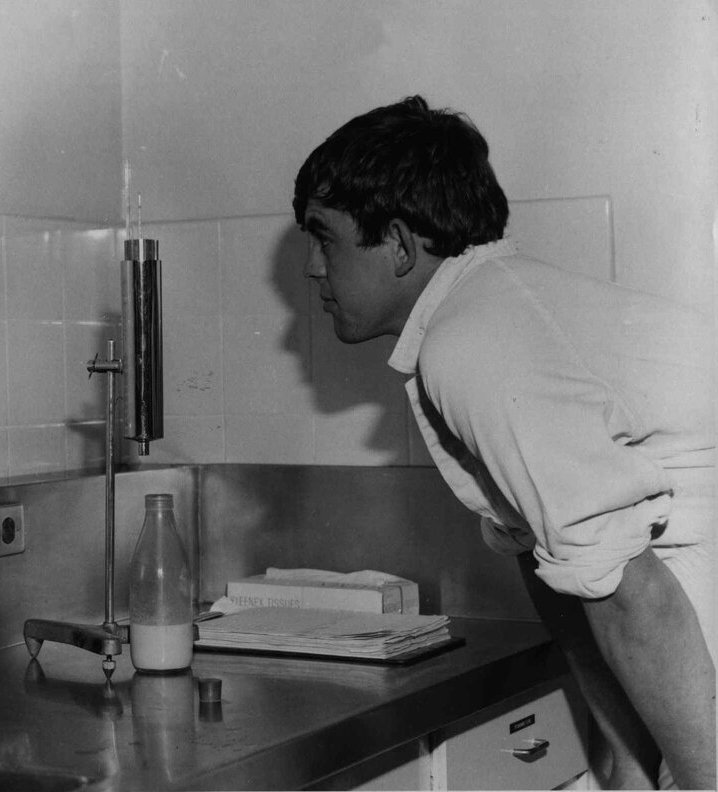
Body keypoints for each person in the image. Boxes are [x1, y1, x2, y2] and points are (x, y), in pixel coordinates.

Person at [293, 95, 715, 790]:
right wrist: (629, 770)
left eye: (324, 237)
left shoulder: (474, 339)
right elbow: (567, 581)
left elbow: (635, 596)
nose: (312, 269)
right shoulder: (476, 314)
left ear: (397, 244)